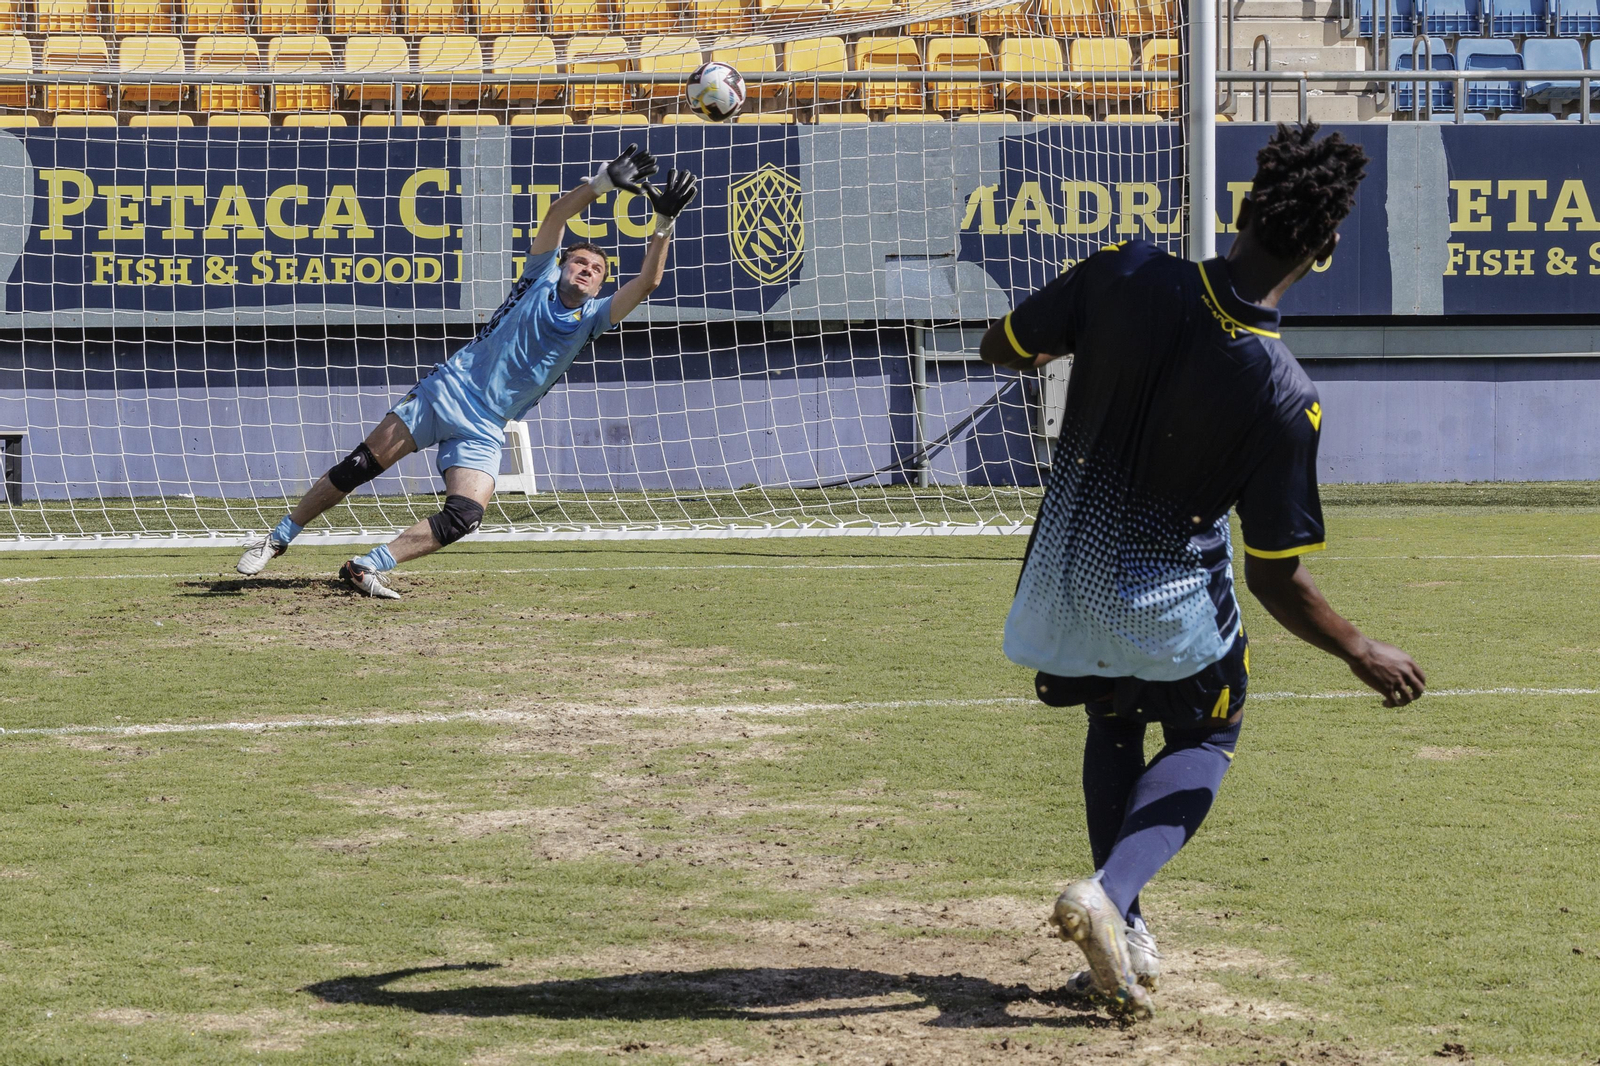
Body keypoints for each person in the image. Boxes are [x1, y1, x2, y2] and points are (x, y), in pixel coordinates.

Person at [978, 123, 1426, 1020]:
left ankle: (1127, 934)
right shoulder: (1283, 394)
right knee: (1207, 738)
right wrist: (1356, 647)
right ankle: (1111, 895)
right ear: (1325, 251)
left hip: (1064, 586)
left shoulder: (1123, 270)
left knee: (1112, 727)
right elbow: (1274, 576)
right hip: (1167, 610)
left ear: (1245, 210)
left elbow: (1005, 347)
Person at [235, 146, 699, 599]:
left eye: (597, 269)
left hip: (485, 427)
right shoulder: (536, 278)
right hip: (448, 392)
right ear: (561, 266)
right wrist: (601, 184)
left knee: (464, 517)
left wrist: (665, 223)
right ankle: (276, 538)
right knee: (360, 466)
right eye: (579, 261)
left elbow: (648, 282)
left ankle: (366, 566)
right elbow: (556, 215)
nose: (587, 270)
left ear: (600, 283)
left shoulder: (594, 318)